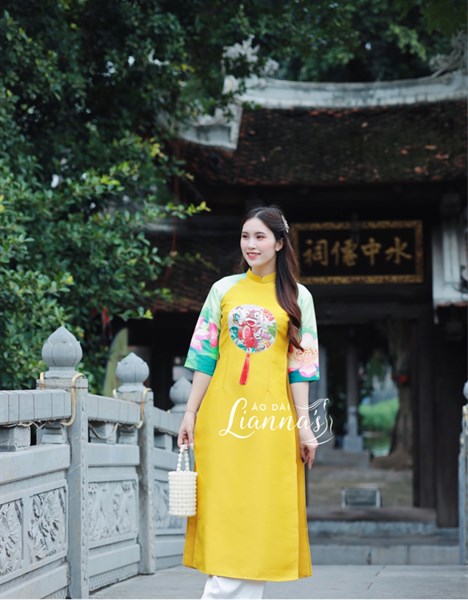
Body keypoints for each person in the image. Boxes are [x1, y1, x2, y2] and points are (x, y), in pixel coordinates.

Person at [177, 205, 320, 599]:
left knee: (260, 516)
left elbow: (301, 368)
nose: (251, 244)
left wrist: (304, 427)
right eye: (245, 236)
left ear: (279, 243)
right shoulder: (222, 290)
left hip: (270, 423)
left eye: (260, 237)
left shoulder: (298, 297)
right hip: (221, 419)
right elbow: (204, 356)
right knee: (225, 512)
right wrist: (190, 412)